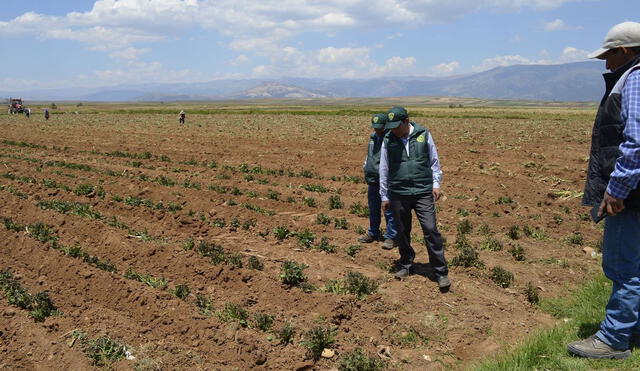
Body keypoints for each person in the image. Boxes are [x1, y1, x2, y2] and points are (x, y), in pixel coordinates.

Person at [567, 21, 640, 360]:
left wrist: (617, 189)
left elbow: (636, 142)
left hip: (633, 196)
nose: (605, 63)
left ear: (623, 50)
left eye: (608, 55)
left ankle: (613, 339)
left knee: (623, 265)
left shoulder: (636, 78)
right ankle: (631, 328)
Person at [379, 106, 450, 289]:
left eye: (397, 126)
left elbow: (434, 160)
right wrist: (384, 195)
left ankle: (440, 271)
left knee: (430, 229)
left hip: (422, 191)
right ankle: (406, 264)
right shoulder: (388, 139)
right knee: (402, 231)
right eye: (391, 126)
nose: (393, 130)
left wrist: (436, 184)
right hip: (398, 193)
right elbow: (384, 169)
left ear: (407, 121)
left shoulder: (424, 134)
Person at [357, 113, 397, 249]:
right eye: (375, 127)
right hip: (372, 179)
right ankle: (373, 232)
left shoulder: (391, 138)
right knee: (373, 208)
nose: (377, 130)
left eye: (379, 127)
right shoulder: (373, 137)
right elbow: (370, 155)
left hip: (386, 180)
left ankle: (391, 236)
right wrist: (366, 165)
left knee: (388, 209)